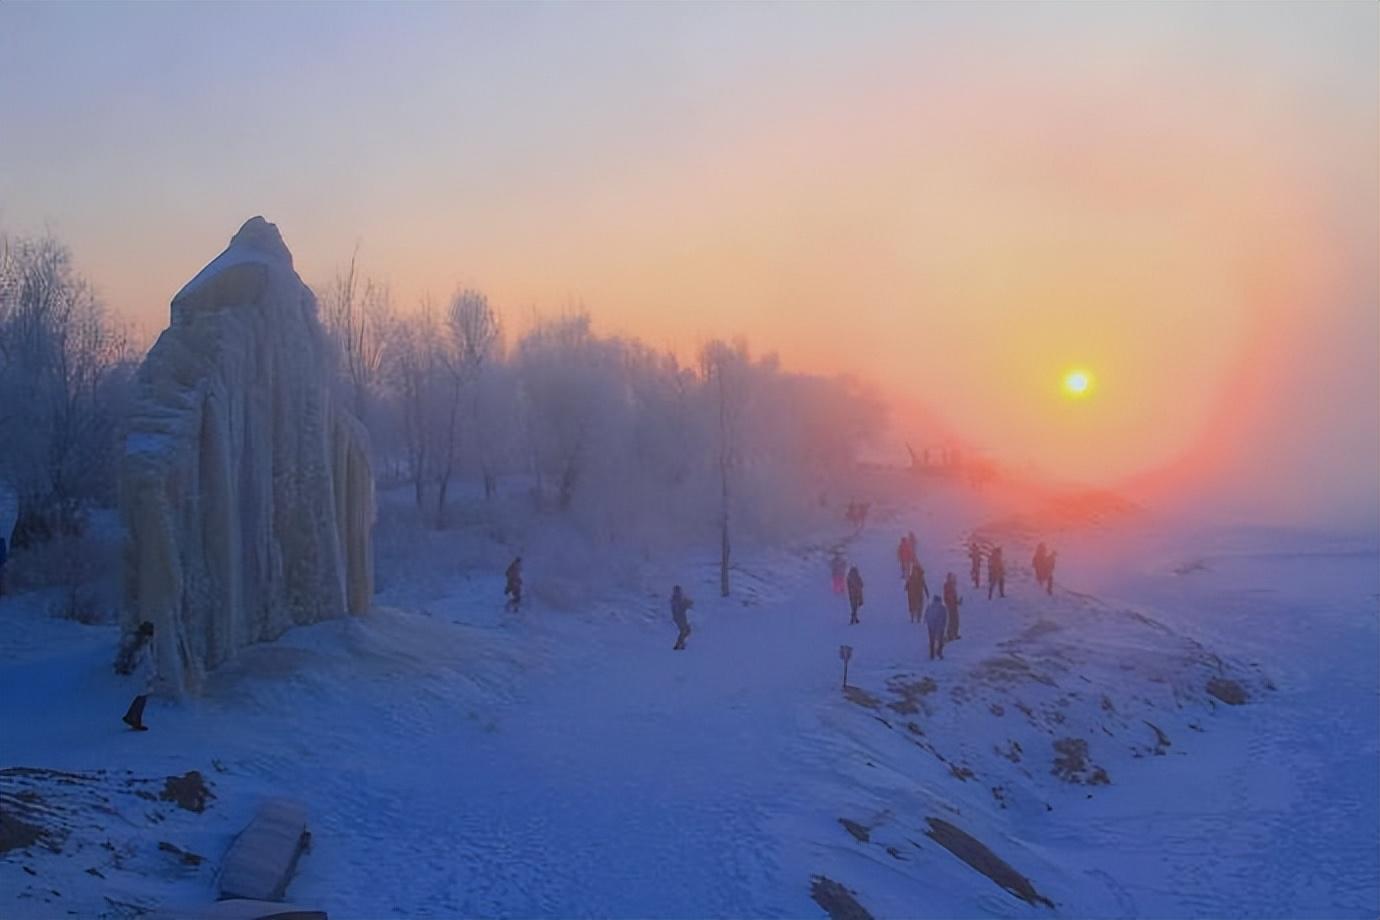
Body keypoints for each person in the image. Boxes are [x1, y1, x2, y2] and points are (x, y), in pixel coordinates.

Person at [116, 621, 156, 731]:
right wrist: (130, 668)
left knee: (142, 696)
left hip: (143, 674)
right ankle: (133, 719)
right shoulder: (142, 642)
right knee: (142, 696)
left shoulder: (141, 641)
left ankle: (133, 718)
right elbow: (137, 658)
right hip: (141, 675)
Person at [924, 594, 948, 660]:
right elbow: (945, 617)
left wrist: (926, 622)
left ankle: (932, 654)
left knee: (932, 640)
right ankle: (939, 652)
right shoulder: (942, 608)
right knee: (940, 640)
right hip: (940, 626)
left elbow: (926, 614)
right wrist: (944, 625)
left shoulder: (930, 606)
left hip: (931, 626)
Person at [671, 585, 694, 650]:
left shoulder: (677, 598)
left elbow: (684, 603)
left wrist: (688, 603)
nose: (680, 592)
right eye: (678, 591)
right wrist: (687, 604)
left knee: (687, 630)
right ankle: (678, 645)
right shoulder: (675, 599)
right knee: (685, 630)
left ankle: (680, 644)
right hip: (679, 618)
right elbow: (680, 607)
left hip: (681, 617)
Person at [943, 572, 962, 640]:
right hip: (950, 606)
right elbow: (948, 596)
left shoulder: (952, 585)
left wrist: (957, 601)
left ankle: (953, 634)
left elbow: (953, 597)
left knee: (955, 620)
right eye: (952, 577)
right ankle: (951, 634)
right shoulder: (948, 586)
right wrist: (953, 601)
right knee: (952, 620)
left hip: (953, 605)